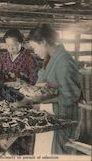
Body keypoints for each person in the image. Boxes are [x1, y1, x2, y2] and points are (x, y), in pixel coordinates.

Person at [27, 24, 82, 154]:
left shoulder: (64, 61)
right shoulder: (49, 59)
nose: (34, 51)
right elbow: (44, 84)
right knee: (44, 151)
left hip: (63, 118)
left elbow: (70, 96)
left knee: (57, 153)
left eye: (34, 47)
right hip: (50, 116)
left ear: (43, 42)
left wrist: (43, 98)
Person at [0, 28, 39, 155]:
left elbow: (35, 80)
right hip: (6, 97)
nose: (11, 48)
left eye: (14, 45)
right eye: (8, 46)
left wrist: (22, 82)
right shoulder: (4, 57)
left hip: (22, 99)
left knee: (21, 128)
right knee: (6, 126)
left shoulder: (29, 58)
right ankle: (9, 152)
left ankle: (21, 155)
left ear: (21, 43)